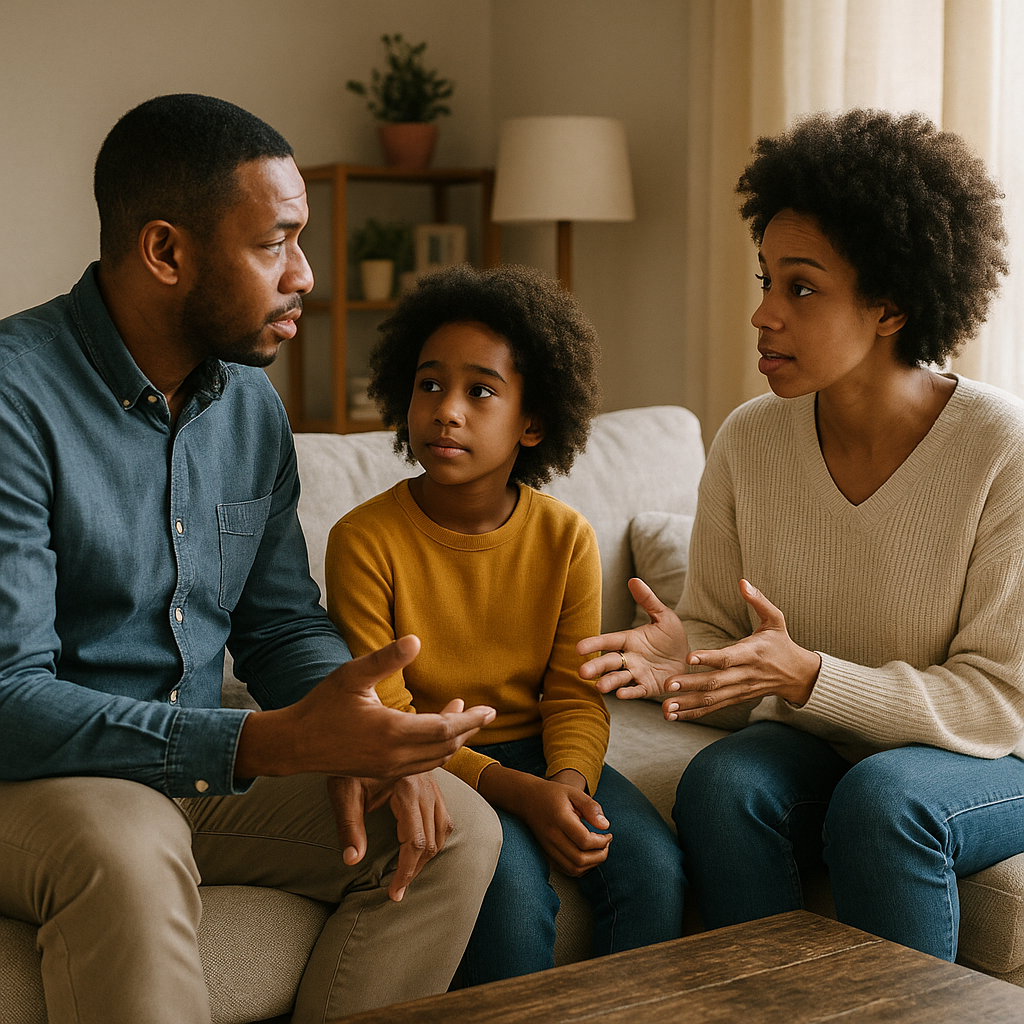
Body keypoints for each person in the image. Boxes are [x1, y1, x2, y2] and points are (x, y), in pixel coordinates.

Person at [0, 94, 503, 1024]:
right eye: (275, 243)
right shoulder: (13, 398)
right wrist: (264, 742)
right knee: (127, 846)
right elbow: (10, 699)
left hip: (201, 766)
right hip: (41, 778)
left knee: (454, 826)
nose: (305, 275)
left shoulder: (248, 407)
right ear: (166, 252)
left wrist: (361, 728)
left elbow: (278, 622)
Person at [578, 108, 1024, 961]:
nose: (762, 314)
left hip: (991, 754)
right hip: (824, 743)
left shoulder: (1000, 448)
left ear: (890, 306)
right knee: (722, 785)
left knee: (886, 799)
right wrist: (689, 659)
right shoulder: (750, 437)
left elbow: (998, 701)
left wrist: (814, 677)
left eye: (801, 287)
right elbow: (724, 639)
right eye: (765, 280)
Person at [325, 264, 683, 985]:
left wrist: (569, 784)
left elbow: (575, 692)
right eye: (429, 384)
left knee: (654, 871)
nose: (446, 410)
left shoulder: (566, 538)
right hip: (431, 760)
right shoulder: (363, 539)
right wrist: (522, 796)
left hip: (541, 749)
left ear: (533, 421)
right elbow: (390, 719)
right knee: (513, 901)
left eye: (479, 391)